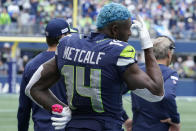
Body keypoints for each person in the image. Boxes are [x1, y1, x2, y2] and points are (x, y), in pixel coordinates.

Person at [25, 3, 164, 131]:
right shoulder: (119, 51)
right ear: (115, 30)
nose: (129, 34)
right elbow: (156, 93)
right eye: (128, 29)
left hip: (74, 127)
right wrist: (147, 45)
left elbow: (33, 88)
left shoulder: (68, 43)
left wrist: (61, 109)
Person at [17, 18, 78, 131]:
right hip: (69, 126)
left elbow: (23, 109)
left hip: (42, 127)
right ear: (63, 37)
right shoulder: (74, 61)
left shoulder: (31, 65)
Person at [130, 36, 180, 131]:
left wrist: (124, 118)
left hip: (137, 127)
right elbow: (168, 96)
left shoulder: (137, 70)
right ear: (169, 54)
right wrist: (175, 121)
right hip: (160, 127)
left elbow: (114, 92)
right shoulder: (170, 73)